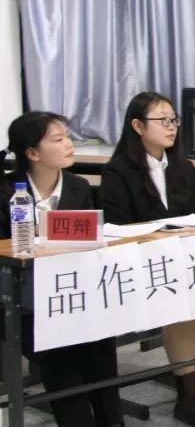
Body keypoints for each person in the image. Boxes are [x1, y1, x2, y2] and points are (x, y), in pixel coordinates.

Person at [102, 93, 195, 426]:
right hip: (142, 263)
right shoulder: (117, 171)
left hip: (181, 257)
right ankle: (187, 390)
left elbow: (191, 219)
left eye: (174, 120)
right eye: (162, 120)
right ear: (137, 126)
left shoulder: (182, 167)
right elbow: (118, 228)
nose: (171, 127)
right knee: (181, 298)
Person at [0, 112, 123, 427]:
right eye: (58, 139)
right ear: (32, 153)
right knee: (60, 349)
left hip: (73, 291)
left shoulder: (78, 187)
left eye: (68, 136)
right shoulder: (5, 192)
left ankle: (112, 421)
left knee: (100, 339)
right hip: (22, 300)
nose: (69, 144)